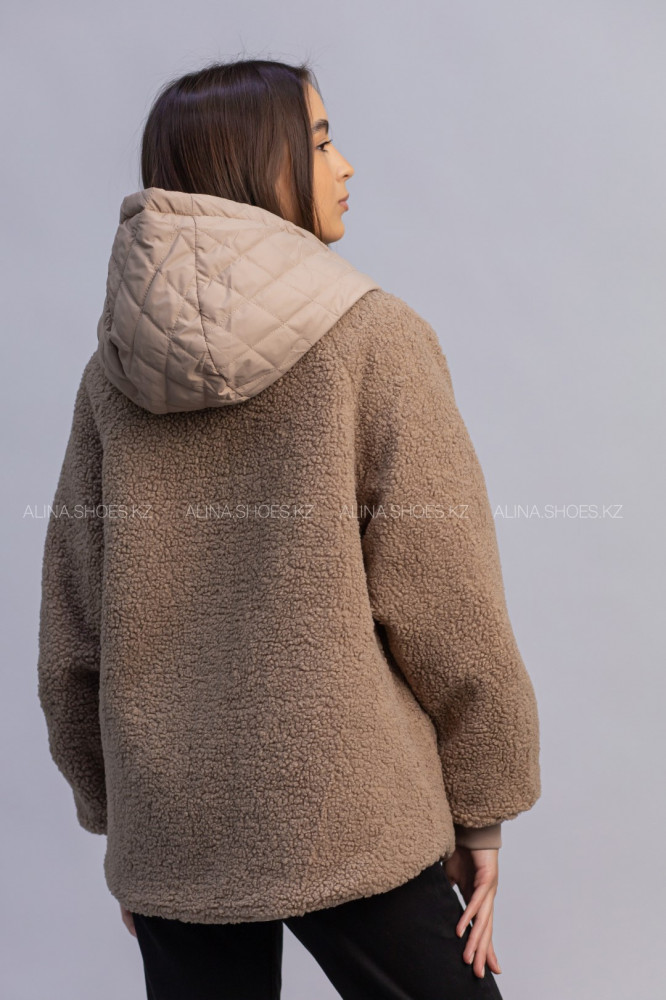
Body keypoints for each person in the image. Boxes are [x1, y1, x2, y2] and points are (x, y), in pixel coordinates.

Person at [37, 58, 541, 1000]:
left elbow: (72, 629)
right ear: (254, 162)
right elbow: (449, 601)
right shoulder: (375, 338)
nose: (344, 165)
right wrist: (483, 809)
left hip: (174, 827)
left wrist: (125, 826)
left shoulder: (111, 377)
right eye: (319, 141)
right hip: (350, 810)